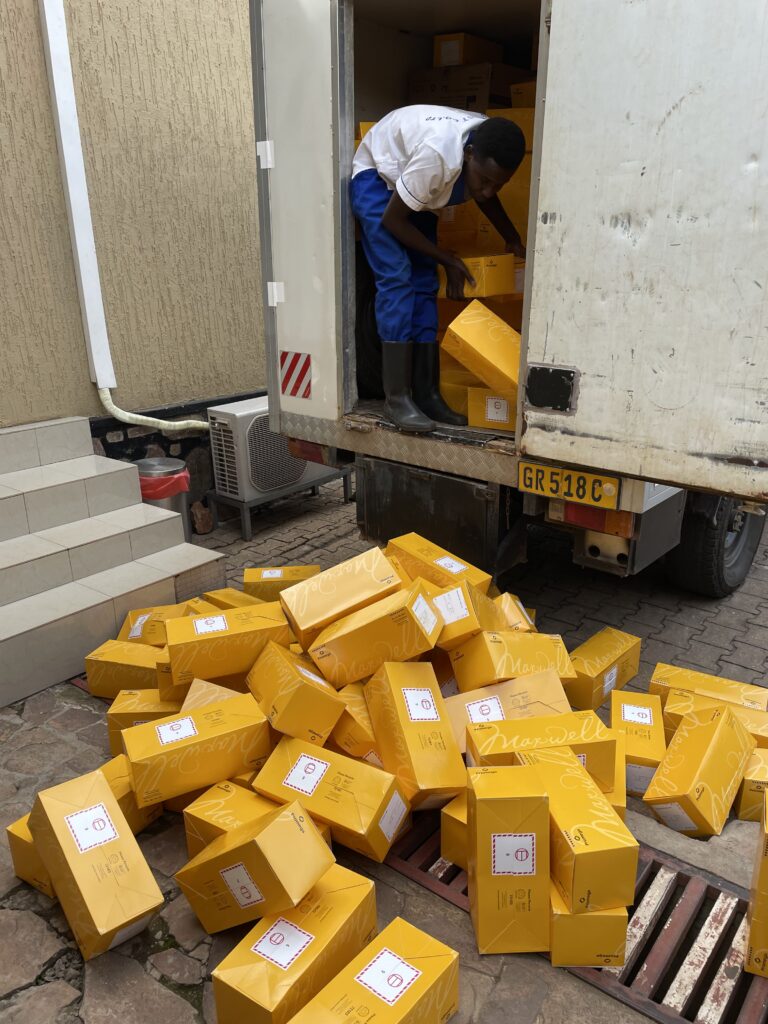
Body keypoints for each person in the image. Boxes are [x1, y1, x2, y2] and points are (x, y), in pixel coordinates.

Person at [351, 106, 526, 433]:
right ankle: (397, 399)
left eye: (497, 184)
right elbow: (392, 220)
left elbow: (485, 195)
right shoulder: (439, 156)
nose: (488, 190)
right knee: (397, 280)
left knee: (424, 283)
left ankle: (428, 394)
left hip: (413, 185)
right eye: (484, 181)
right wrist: (446, 258)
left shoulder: (487, 143)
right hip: (377, 179)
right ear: (469, 154)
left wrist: (512, 239)